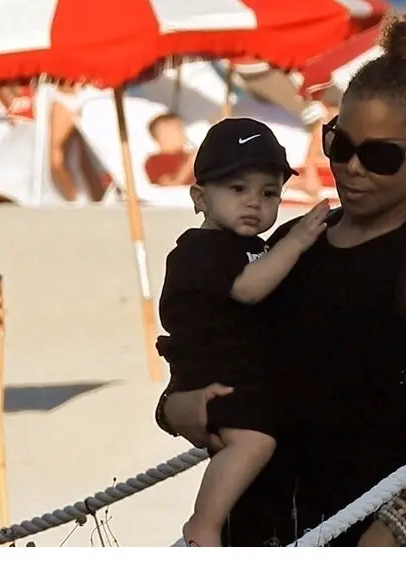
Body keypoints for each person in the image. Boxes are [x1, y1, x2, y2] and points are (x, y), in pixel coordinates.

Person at [156, 13, 406, 547]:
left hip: (372, 538)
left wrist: (392, 529)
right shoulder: (289, 246)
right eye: (341, 144)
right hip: (263, 529)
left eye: (380, 155)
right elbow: (213, 342)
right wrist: (175, 406)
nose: (354, 167)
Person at [157, 117, 330, 546]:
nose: (254, 203)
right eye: (237, 189)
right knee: (252, 443)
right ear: (200, 197)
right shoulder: (200, 251)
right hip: (214, 377)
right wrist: (297, 241)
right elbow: (250, 289)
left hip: (241, 377)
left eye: (269, 193)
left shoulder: (249, 247)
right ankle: (205, 523)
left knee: (253, 441)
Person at [145, 112, 196, 186]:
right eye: (174, 131)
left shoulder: (190, 155)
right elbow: (169, 185)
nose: (180, 134)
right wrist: (189, 165)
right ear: (159, 138)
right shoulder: (154, 161)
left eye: (181, 129)